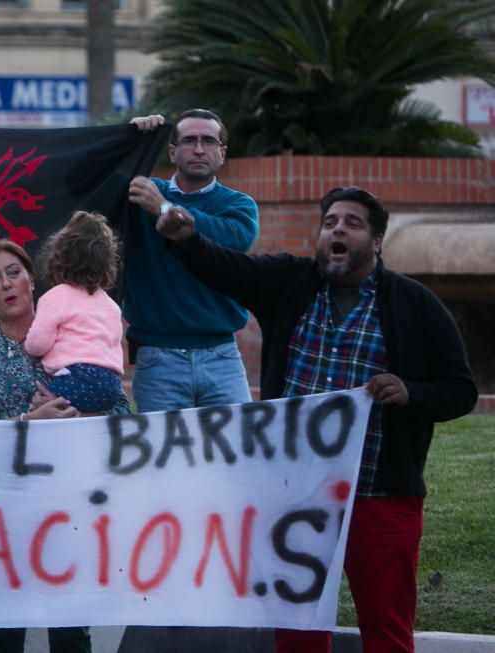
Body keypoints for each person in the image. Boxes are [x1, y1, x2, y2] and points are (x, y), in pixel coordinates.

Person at [153, 185, 477, 653]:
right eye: (330, 223)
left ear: (378, 240)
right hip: (296, 496)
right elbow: (227, 268)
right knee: (299, 631)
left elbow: (461, 389)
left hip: (380, 496)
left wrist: (411, 393)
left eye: (352, 223)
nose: (337, 230)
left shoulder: (414, 304)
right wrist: (186, 241)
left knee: (387, 632)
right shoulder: (290, 282)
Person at [0, 240, 131, 653]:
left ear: (33, 278)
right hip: (4, 507)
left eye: (14, 272)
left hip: (69, 501)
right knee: (2, 634)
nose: (7, 284)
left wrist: (74, 417)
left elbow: (121, 413)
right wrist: (32, 423)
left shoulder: (75, 327)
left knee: (70, 632)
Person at [125, 108, 259, 413]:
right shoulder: (142, 195)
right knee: (162, 459)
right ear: (172, 151)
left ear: (222, 153)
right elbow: (91, 180)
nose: (199, 149)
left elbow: (233, 239)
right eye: (189, 140)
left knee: (234, 454)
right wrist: (131, 139)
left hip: (222, 356)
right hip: (158, 359)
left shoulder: (238, 204)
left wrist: (164, 209)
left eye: (209, 141)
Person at [23, 210, 124, 413]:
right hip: (112, 386)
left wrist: (27, 343)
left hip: (76, 379)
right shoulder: (111, 306)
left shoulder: (55, 298)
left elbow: (37, 344)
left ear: (59, 256)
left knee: (42, 404)